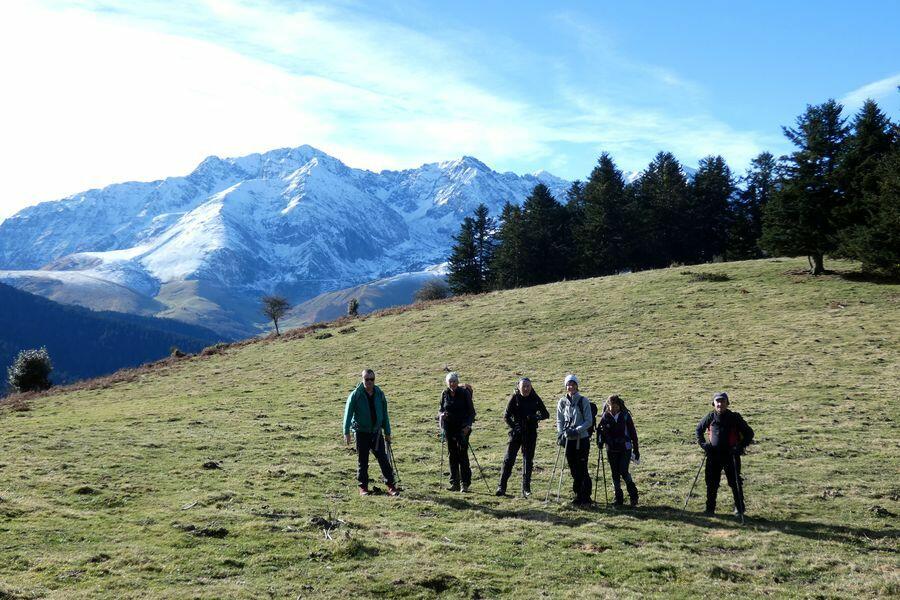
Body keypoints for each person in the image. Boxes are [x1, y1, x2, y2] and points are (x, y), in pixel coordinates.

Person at [695, 392, 754, 516]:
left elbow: (749, 433)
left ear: (727, 403)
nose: (720, 404)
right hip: (713, 455)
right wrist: (704, 445)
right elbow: (698, 430)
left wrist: (739, 447)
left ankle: (740, 509)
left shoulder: (735, 417)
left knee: (735, 482)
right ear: (714, 403)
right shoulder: (710, 417)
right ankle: (710, 509)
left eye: (723, 401)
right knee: (711, 483)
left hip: (731, 455)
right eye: (718, 401)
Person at [343, 369, 399, 497]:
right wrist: (346, 432)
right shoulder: (356, 395)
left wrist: (387, 432)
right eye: (366, 379)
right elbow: (348, 413)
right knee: (363, 461)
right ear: (362, 379)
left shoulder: (379, 394)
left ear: (374, 380)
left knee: (383, 459)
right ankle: (363, 488)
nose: (369, 382)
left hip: (376, 433)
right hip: (361, 432)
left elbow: (384, 414)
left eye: (371, 379)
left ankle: (391, 486)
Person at [496, 377, 550, 497]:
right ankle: (501, 487)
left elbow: (546, 414)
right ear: (518, 387)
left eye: (528, 386)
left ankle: (526, 489)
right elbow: (506, 416)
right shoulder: (514, 398)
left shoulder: (535, 398)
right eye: (523, 386)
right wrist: (514, 426)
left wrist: (535, 417)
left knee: (528, 461)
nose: (526, 389)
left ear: (531, 387)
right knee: (508, 459)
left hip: (530, 433)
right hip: (516, 434)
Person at [556, 374, 593, 505]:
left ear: (577, 386)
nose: (570, 387)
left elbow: (589, 421)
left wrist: (576, 430)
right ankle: (578, 494)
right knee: (573, 468)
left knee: (582, 467)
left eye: (572, 384)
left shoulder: (583, 401)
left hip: (582, 439)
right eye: (568, 384)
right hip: (568, 440)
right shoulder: (562, 402)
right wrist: (561, 433)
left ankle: (586, 496)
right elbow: (559, 420)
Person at [597, 395, 640, 507]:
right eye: (612, 407)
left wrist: (636, 449)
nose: (615, 409)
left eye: (616, 407)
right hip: (611, 449)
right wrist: (600, 441)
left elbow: (633, 433)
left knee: (623, 471)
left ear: (620, 406)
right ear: (608, 406)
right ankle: (618, 499)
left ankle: (633, 496)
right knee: (615, 473)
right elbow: (600, 431)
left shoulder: (625, 415)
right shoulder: (605, 417)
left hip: (625, 448)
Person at [438, 372, 476, 492]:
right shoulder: (444, 394)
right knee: (452, 455)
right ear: (447, 383)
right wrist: (442, 415)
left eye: (454, 381)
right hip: (449, 428)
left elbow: (472, 412)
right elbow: (441, 409)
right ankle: (454, 483)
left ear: (458, 382)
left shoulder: (464, 393)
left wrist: (468, 426)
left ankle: (465, 483)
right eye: (450, 381)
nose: (452, 383)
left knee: (462, 454)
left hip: (463, 429)